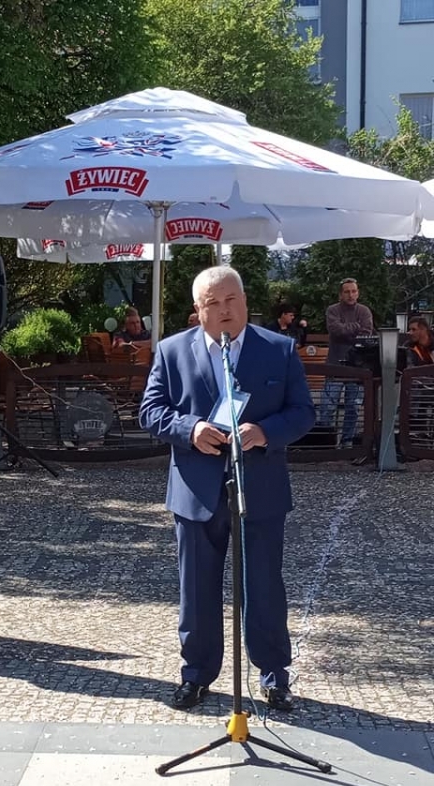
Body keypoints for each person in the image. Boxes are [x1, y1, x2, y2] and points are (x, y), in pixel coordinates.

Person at [139, 265, 315, 712]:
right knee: (197, 590)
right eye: (212, 303)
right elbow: (150, 411)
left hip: (260, 486)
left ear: (245, 301)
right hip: (196, 490)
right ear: (197, 310)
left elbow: (303, 412)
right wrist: (189, 428)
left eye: (231, 300)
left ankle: (274, 675)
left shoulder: (278, 349)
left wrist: (266, 432)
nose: (224, 310)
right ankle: (196, 674)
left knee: (264, 586)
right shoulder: (171, 351)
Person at [318, 278, 374, 447]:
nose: (351, 295)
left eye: (354, 291)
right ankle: (326, 442)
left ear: (358, 293)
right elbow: (335, 330)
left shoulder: (364, 311)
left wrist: (346, 328)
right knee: (327, 406)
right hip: (334, 365)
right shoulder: (332, 310)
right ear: (340, 294)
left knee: (353, 407)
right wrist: (356, 327)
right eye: (347, 291)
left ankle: (347, 441)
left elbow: (366, 333)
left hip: (357, 367)